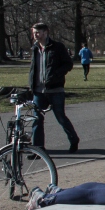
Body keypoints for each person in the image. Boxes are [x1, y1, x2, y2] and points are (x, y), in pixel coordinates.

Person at [28, 23, 80, 153]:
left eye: (38, 32)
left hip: (55, 89)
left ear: (46, 32)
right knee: (37, 119)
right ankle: (38, 149)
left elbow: (68, 64)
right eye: (34, 33)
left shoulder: (57, 47)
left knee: (60, 117)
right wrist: (31, 85)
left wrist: (56, 75)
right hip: (39, 91)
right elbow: (33, 69)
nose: (35, 35)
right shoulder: (34, 48)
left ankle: (74, 139)